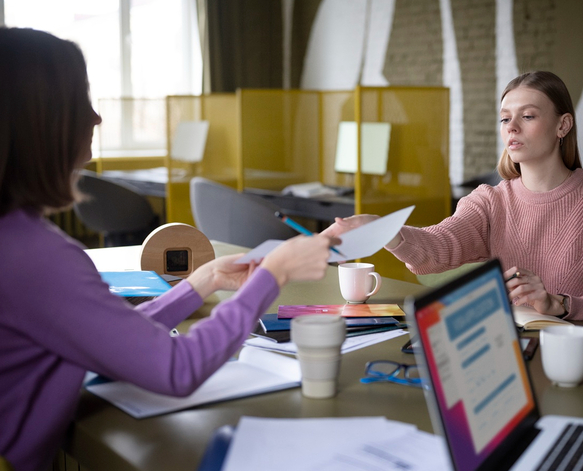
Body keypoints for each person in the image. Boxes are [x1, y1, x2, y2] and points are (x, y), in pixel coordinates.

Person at [0, 27, 338, 471]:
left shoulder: (16, 239)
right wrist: (274, 274)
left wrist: (203, 282)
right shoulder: (40, 259)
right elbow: (176, 369)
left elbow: (115, 340)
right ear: (46, 121)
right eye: (82, 100)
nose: (96, 119)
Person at [324, 70, 583, 327]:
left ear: (562, 125)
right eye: (505, 118)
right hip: (513, 355)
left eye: (527, 116)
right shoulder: (490, 201)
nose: (512, 127)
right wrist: (379, 228)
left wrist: (560, 304)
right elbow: (435, 249)